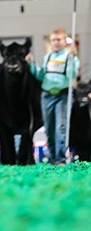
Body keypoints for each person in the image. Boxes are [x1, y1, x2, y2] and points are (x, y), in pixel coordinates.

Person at [26, 27, 80, 164]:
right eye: (53, 40)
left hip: (63, 95)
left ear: (65, 41)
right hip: (47, 96)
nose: (55, 42)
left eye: (58, 39)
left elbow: (71, 75)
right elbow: (40, 76)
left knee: (60, 127)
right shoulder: (47, 57)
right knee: (49, 129)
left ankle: (60, 159)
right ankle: (52, 158)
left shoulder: (70, 56)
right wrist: (32, 64)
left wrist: (72, 59)